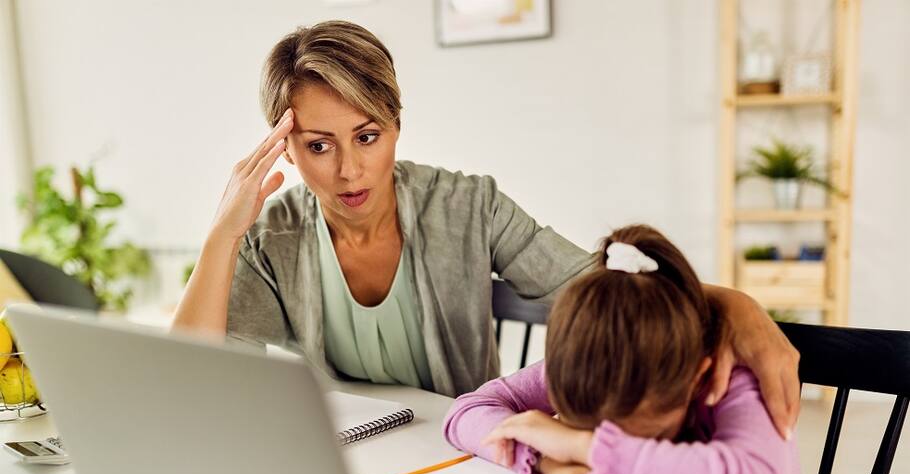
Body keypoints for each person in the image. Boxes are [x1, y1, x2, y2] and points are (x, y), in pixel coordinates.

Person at [172, 20, 801, 439]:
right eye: (318, 145)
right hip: (342, 469)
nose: (349, 169)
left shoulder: (468, 205)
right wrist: (223, 235)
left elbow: (600, 287)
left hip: (465, 450)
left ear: (396, 124)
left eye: (368, 136)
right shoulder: (272, 233)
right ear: (285, 147)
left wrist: (735, 304)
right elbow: (193, 381)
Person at [443, 226, 803, 474]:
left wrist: (579, 446)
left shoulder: (733, 377)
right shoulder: (593, 355)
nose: (602, 446)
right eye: (585, 429)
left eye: (635, 434)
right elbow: (466, 412)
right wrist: (544, 459)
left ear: (697, 376)